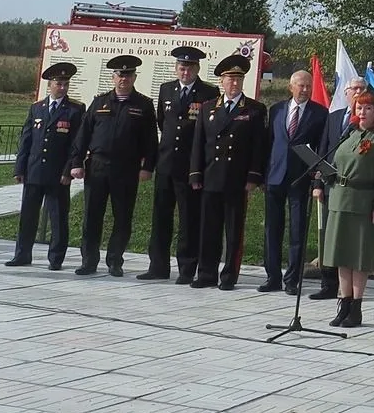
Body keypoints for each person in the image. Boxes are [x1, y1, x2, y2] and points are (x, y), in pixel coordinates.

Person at [70, 53, 157, 276]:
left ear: (134, 77)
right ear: (113, 77)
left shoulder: (144, 105)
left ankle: (115, 261)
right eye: (120, 75)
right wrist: (76, 162)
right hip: (97, 166)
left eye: (128, 75)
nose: (123, 79)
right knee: (92, 215)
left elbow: (150, 140)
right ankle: (88, 261)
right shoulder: (99, 102)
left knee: (123, 217)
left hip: (126, 168)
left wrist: (147, 167)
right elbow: (83, 134)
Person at [318, 88, 374, 326]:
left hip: (363, 202)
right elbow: (336, 162)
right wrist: (325, 175)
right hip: (339, 200)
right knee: (341, 255)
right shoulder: (349, 135)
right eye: (359, 108)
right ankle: (343, 303)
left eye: (368, 108)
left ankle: (356, 308)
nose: (362, 113)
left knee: (358, 257)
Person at [189, 52, 267, 289]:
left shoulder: (254, 110)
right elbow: (198, 144)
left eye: (238, 79)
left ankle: (229, 275)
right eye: (229, 79)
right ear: (221, 82)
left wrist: (254, 176)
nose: (234, 83)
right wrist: (195, 173)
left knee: (234, 232)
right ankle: (206, 274)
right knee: (208, 229)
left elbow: (259, 147)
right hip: (211, 177)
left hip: (236, 178)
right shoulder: (208, 108)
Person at [141, 46, 218, 283]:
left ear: (198, 69)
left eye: (190, 67)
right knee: (161, 217)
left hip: (189, 166)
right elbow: (163, 124)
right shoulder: (166, 89)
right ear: (176, 68)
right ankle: (158, 266)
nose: (186, 71)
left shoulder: (209, 92)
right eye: (182, 67)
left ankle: (186, 268)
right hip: (166, 163)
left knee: (188, 219)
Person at [260, 68, 329, 294]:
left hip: (300, 179)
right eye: (301, 85)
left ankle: (292, 280)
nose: (306, 89)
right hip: (275, 177)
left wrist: (317, 178)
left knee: (297, 231)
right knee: (272, 229)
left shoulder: (319, 113)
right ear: (291, 87)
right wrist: (263, 175)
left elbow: (322, 148)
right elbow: (269, 143)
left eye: (308, 85)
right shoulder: (277, 109)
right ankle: (272, 277)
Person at [7, 62, 82, 269]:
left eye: (66, 84)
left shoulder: (75, 110)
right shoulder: (36, 108)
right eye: (59, 83)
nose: (63, 87)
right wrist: (20, 169)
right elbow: (26, 141)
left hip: (58, 174)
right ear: (50, 85)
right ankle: (22, 254)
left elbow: (76, 145)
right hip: (34, 171)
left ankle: (56, 258)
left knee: (58, 217)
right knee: (28, 216)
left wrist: (68, 171)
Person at [309, 76, 369, 301]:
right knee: (328, 236)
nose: (356, 92)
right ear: (345, 92)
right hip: (329, 185)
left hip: (353, 189)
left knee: (346, 238)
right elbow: (323, 149)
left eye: (361, 88)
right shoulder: (334, 117)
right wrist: (317, 185)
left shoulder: (368, 122)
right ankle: (328, 283)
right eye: (353, 88)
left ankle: (350, 289)